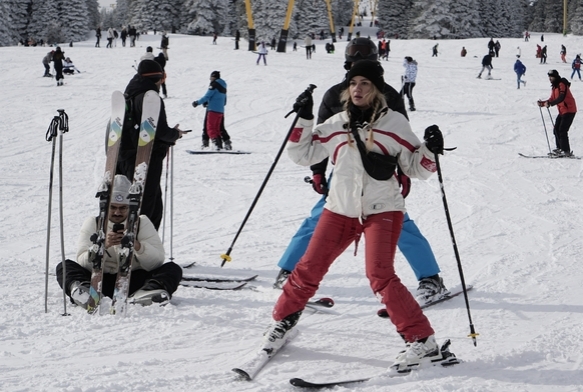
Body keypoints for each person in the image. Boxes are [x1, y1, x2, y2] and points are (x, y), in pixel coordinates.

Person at [263, 59, 447, 371]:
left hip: (383, 209)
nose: (357, 88)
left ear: (377, 90)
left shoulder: (396, 125)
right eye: (353, 83)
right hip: (340, 209)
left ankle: (422, 341)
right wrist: (304, 119)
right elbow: (302, 154)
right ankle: (282, 320)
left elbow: (418, 168)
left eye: (365, 83)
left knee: (380, 275)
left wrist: (430, 150)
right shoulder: (336, 123)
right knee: (308, 268)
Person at [273, 38, 449, 307]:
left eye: (364, 59)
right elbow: (320, 135)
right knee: (319, 219)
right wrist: (318, 171)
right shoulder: (335, 94)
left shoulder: (388, 93)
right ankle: (289, 270)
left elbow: (401, 137)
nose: (358, 80)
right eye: (354, 60)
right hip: (344, 171)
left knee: (398, 222)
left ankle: (430, 278)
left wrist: (403, 170)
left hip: (380, 172)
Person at [55, 174, 183, 308]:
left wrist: (138, 246)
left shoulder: (142, 222)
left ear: (130, 207)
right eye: (113, 207)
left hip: (133, 281)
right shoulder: (93, 222)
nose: (117, 212)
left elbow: (157, 261)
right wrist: (103, 246)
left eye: (123, 208)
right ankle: (87, 294)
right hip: (99, 281)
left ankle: (146, 294)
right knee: (64, 266)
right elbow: (82, 261)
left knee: (172, 268)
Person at [117, 60, 188, 230]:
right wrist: (174, 135)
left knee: (144, 200)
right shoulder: (149, 98)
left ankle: (136, 241)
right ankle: (142, 244)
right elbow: (159, 130)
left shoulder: (130, 94)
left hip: (124, 155)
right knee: (149, 204)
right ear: (159, 78)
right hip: (145, 158)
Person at [538, 70, 577, 157]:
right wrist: (543, 103)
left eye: (551, 77)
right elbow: (552, 99)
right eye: (549, 77)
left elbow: (561, 97)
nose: (550, 78)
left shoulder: (562, 84)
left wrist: (550, 104)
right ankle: (560, 148)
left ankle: (566, 150)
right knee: (556, 129)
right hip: (562, 111)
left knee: (562, 130)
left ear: (555, 77)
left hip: (569, 110)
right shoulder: (554, 87)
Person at [192, 71, 229, 150]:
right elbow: (224, 100)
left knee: (210, 128)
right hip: (221, 110)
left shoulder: (214, 84)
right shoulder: (223, 86)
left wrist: (197, 102)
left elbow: (207, 96)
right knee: (217, 128)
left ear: (213, 77)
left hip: (213, 109)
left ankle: (216, 144)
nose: (210, 79)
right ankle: (220, 145)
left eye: (211, 77)